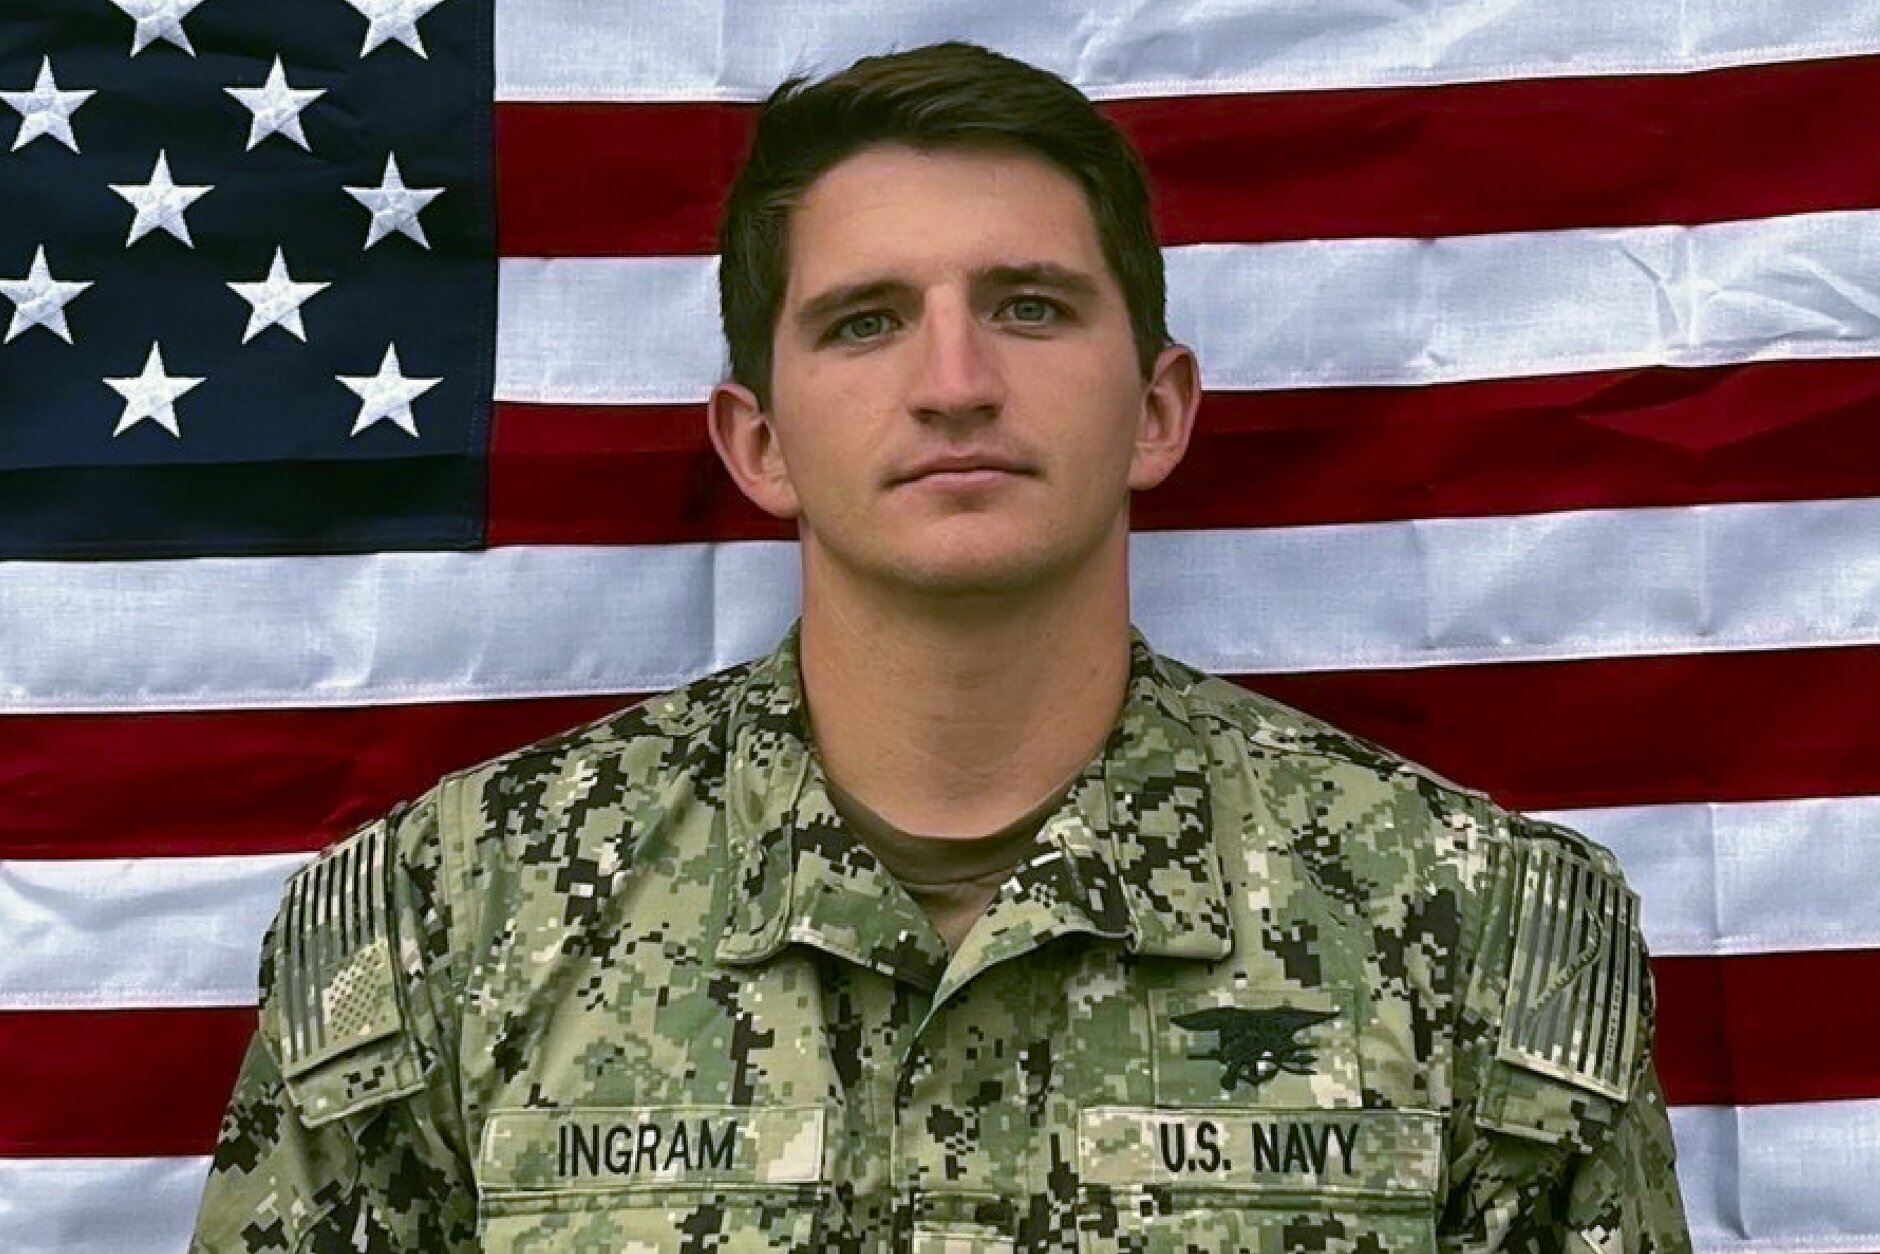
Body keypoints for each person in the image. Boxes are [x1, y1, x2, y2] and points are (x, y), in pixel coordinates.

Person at [190, 41, 1692, 1253]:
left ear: (1158, 409)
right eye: (865, 322)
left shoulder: (1467, 928)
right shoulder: (452, 924)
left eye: (1030, 307)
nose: (956, 381)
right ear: (759, 441)